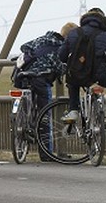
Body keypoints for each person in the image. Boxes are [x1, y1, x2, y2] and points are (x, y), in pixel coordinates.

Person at [12, 22, 77, 160]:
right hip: (41, 79)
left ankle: (24, 124)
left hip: (23, 76)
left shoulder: (42, 39)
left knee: (29, 107)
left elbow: (24, 46)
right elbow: (60, 68)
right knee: (45, 115)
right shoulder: (59, 47)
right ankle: (46, 153)